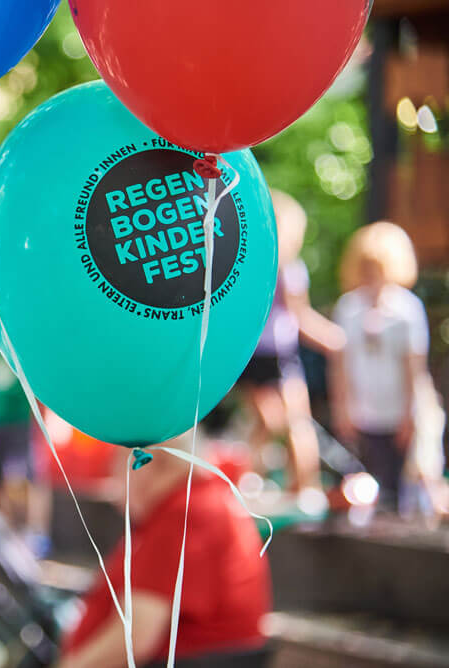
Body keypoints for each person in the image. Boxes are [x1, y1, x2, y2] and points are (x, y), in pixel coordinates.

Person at [59, 433, 271, 668]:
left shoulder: (185, 513)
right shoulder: (191, 504)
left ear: (150, 464)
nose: (113, 479)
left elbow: (135, 638)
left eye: (118, 462)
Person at [237, 190, 345, 492]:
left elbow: (300, 315)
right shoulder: (254, 266)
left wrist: (329, 337)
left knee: (294, 421)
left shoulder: (289, 270)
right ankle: (257, 478)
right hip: (257, 354)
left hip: (277, 352)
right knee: (277, 423)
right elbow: (300, 316)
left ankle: (301, 484)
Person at [330, 221, 430, 512]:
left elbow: (414, 366)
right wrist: (342, 409)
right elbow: (341, 364)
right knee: (364, 485)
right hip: (362, 412)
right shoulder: (348, 308)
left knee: (399, 490)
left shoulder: (407, 309)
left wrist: (410, 416)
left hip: (397, 412)